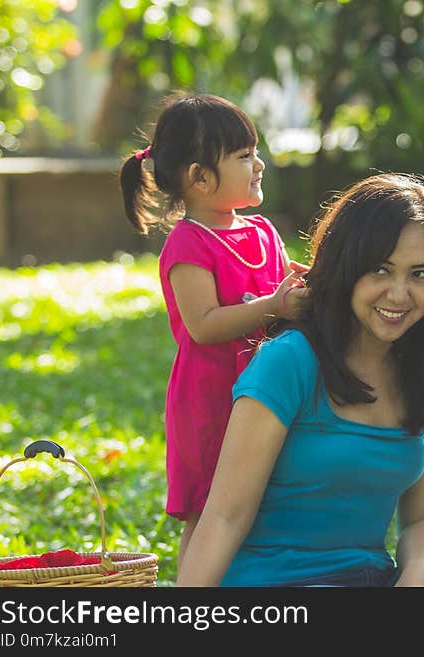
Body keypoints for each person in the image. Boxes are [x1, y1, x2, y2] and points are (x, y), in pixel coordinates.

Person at [176, 173, 424, 587]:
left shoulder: (422, 370)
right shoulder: (289, 361)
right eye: (380, 270)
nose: (399, 294)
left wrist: (418, 576)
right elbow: (225, 517)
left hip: (372, 580)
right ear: (345, 267)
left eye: (420, 274)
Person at [119, 92, 309, 568]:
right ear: (199, 178)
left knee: (264, 499)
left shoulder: (263, 231)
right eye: (244, 156)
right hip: (211, 400)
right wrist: (274, 305)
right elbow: (202, 325)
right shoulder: (188, 243)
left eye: (256, 151)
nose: (259, 165)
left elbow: (287, 280)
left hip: (269, 394)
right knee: (210, 510)